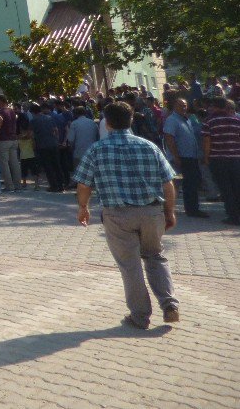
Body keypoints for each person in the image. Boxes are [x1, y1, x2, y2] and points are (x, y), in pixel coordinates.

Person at [73, 101, 180, 329]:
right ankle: (169, 303)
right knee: (155, 256)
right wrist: (169, 211)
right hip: (151, 211)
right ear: (131, 120)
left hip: (117, 215)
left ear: (107, 122)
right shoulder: (149, 146)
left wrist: (83, 207)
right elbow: (168, 182)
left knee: (130, 265)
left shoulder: (96, 149)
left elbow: (84, 184)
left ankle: (140, 316)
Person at [163, 97, 207, 218]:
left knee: (193, 182)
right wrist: (176, 156)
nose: (183, 107)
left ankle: (193, 208)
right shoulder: (172, 120)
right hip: (182, 157)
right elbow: (169, 138)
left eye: (185, 105)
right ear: (174, 106)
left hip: (191, 156)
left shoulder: (186, 119)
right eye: (181, 105)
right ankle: (191, 210)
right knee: (187, 184)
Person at [202, 97, 240, 226]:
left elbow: (207, 141)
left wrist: (206, 158)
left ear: (214, 106)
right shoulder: (237, 120)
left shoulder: (209, 121)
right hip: (236, 159)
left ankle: (233, 216)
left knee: (226, 189)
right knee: (237, 187)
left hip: (218, 159)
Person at [0, 95, 21, 192]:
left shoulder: (0, 112)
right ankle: (18, 184)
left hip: (3, 139)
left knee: (4, 164)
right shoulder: (12, 111)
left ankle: (9, 186)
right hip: (13, 139)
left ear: (1, 101)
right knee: (15, 163)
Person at [66, 106, 99, 176]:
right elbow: (98, 137)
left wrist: (71, 148)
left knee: (80, 175)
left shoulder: (74, 124)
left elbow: (71, 140)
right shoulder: (92, 123)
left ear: (75, 114)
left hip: (79, 152)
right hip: (92, 152)